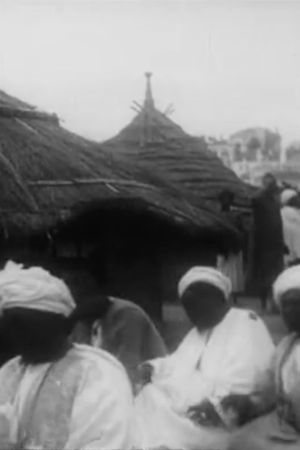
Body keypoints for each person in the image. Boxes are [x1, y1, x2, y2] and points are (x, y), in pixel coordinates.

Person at [133, 266, 275, 450]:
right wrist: (152, 368)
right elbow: (176, 363)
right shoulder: (198, 331)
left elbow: (252, 377)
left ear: (219, 299)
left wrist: (217, 406)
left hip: (223, 418)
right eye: (188, 307)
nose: (193, 313)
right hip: (188, 408)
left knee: (158, 425)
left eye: (198, 305)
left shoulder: (246, 321)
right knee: (149, 395)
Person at [0, 261, 134, 450]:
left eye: (19, 324)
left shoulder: (96, 373)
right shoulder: (9, 372)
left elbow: (106, 442)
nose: (9, 332)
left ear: (54, 322)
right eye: (7, 324)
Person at [228, 264, 300, 450]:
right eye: (286, 305)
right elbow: (268, 392)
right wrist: (248, 403)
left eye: (297, 303)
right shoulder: (286, 346)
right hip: (285, 426)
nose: (290, 311)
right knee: (238, 441)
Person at [69, 267, 167, 386]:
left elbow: (128, 366)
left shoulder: (127, 314)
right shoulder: (86, 318)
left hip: (151, 382)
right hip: (114, 382)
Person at [250, 173, 284, 311]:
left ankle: (272, 303)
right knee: (265, 276)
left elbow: (277, 225)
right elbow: (254, 199)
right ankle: (265, 303)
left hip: (275, 244)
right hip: (264, 244)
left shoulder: (274, 203)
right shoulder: (260, 201)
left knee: (273, 275)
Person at [217, 190, 245, 303]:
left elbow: (241, 231)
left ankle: (232, 298)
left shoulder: (235, 216)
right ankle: (226, 296)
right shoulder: (218, 215)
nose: (226, 202)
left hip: (233, 248)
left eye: (228, 200)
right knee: (224, 272)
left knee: (232, 273)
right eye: (224, 200)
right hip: (223, 248)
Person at [281, 189, 300, 267]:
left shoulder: (280, 213)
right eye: (296, 198)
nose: (298, 200)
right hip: (293, 257)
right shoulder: (289, 214)